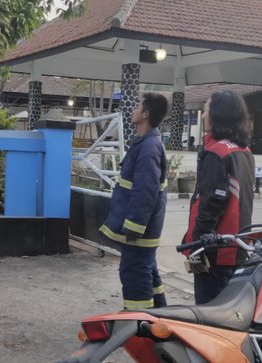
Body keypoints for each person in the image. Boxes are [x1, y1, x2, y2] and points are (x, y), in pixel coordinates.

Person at [181, 90, 255, 305]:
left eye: (205, 110)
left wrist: (196, 241)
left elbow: (212, 202)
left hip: (215, 250)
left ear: (217, 115)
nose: (203, 116)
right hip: (237, 245)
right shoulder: (244, 151)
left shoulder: (217, 152)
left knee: (210, 315)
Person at [99, 93, 169, 310]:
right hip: (143, 232)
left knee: (135, 274)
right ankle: (161, 318)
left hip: (139, 233)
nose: (133, 109)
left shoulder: (149, 148)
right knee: (148, 273)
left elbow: (145, 191)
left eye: (137, 106)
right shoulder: (146, 144)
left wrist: (133, 227)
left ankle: (139, 324)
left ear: (146, 114)